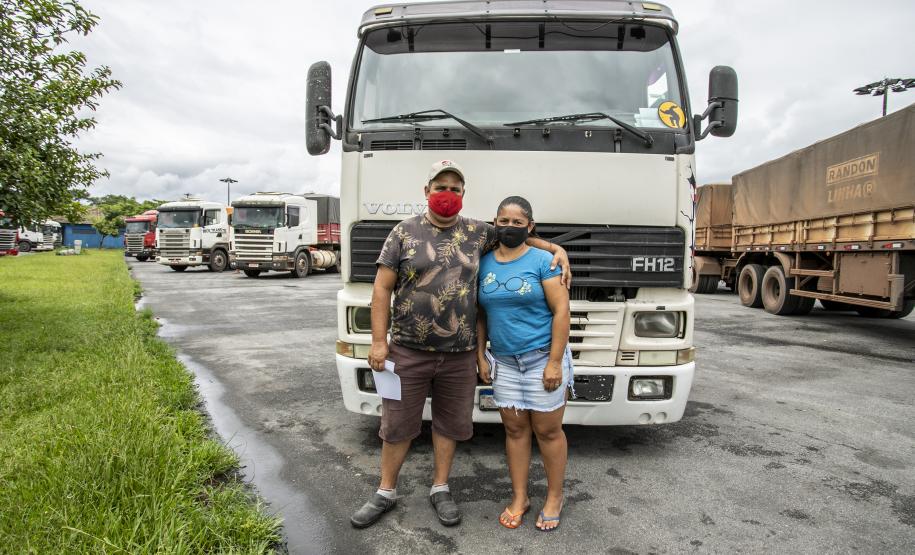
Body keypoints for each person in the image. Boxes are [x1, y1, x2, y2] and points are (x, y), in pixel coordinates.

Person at [350, 161, 571, 529]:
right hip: (407, 350)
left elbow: (514, 235)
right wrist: (377, 341)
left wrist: (554, 249)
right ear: (427, 191)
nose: (447, 195)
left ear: (463, 195)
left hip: (458, 355)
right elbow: (381, 289)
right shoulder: (403, 233)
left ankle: (440, 488)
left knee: (449, 425)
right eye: (441, 187)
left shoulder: (476, 232)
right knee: (398, 424)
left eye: (455, 188)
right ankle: (385, 491)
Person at [476, 196, 572, 532]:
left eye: (518, 223)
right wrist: (480, 355)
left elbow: (562, 311)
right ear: (495, 222)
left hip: (541, 358)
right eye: (504, 221)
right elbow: (481, 315)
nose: (510, 228)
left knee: (547, 431)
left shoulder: (544, 261)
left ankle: (554, 497)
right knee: (515, 431)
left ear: (529, 226)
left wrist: (555, 363)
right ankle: (520, 497)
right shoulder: (484, 261)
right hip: (503, 362)